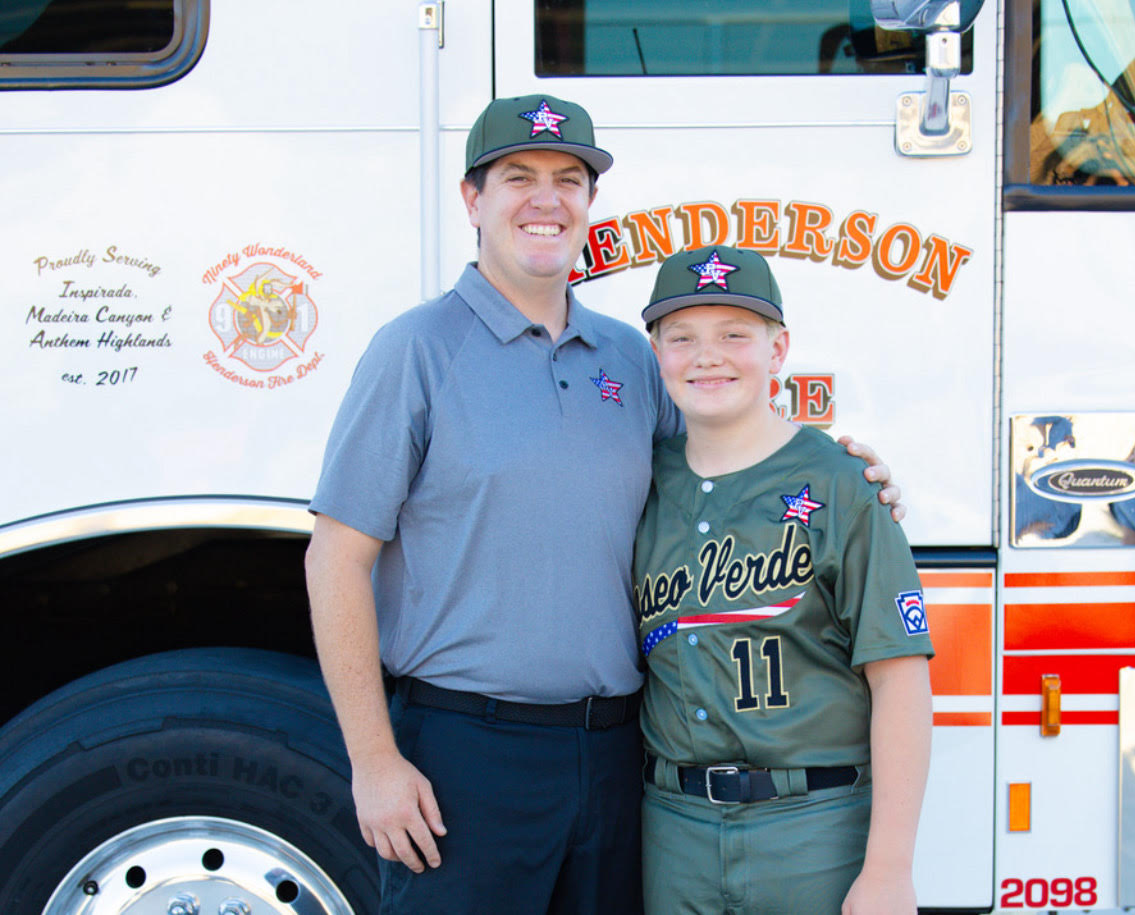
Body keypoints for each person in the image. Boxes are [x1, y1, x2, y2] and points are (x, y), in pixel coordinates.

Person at [304, 94, 904, 913]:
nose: (546, 199)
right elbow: (335, 554)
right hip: (465, 754)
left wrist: (841, 471)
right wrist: (373, 759)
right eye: (519, 176)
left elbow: (716, 464)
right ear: (472, 200)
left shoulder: (629, 355)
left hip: (622, 755)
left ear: (589, 205)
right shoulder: (415, 350)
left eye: (569, 179)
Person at [634, 245, 934, 915]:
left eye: (734, 334)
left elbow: (901, 678)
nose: (707, 356)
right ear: (657, 353)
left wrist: (889, 866)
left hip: (813, 829)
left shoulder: (842, 483)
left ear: (778, 349)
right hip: (674, 830)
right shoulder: (638, 482)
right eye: (682, 337)